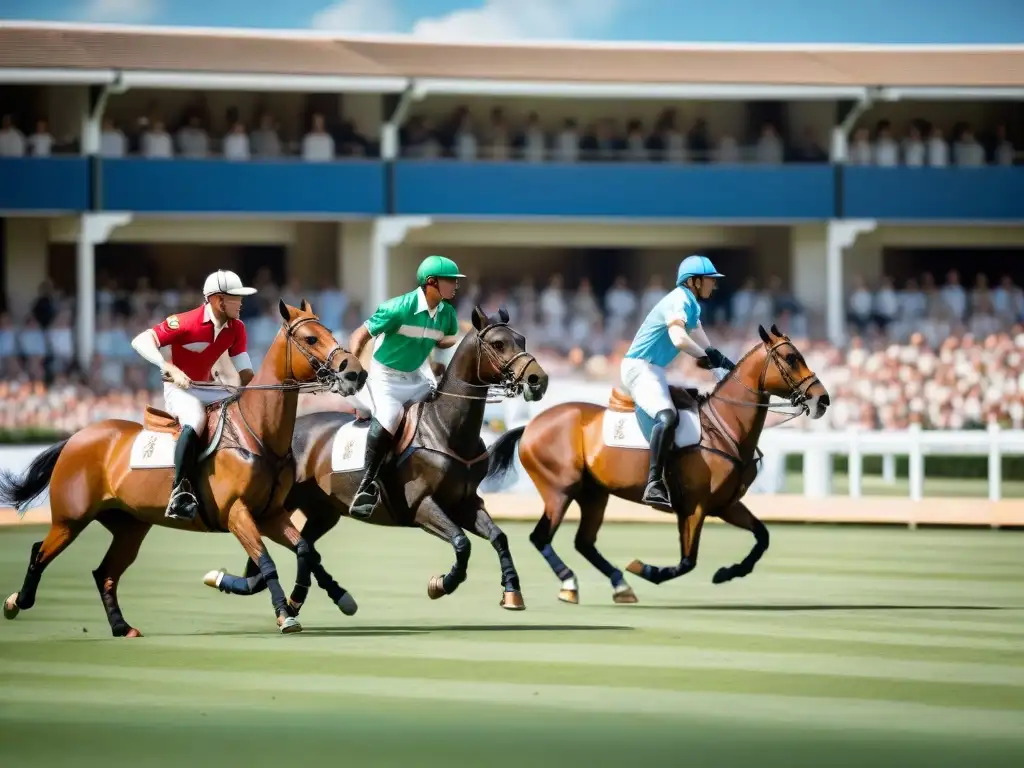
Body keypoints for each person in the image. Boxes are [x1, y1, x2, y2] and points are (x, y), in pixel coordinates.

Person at [130, 269, 256, 520]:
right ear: (219, 300)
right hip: (179, 389)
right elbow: (140, 341)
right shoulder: (184, 322)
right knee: (195, 420)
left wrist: (253, 394)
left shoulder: (237, 328)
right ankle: (180, 490)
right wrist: (168, 367)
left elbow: (245, 371)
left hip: (210, 388)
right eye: (236, 298)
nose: (241, 302)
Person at [346, 255, 464, 519]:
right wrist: (353, 361)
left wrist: (445, 348)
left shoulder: (447, 313)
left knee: (445, 409)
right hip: (385, 377)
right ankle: (365, 487)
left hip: (417, 375)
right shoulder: (397, 308)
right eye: (451, 280)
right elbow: (361, 334)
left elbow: (445, 340)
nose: (456, 285)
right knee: (389, 418)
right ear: (432, 282)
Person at [620, 254, 736, 510]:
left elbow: (704, 343)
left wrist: (725, 365)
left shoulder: (692, 304)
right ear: (694, 281)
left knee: (692, 406)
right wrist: (709, 357)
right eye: (709, 280)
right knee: (667, 417)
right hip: (638, 367)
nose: (714, 285)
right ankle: (654, 483)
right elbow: (680, 340)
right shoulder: (679, 300)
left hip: (654, 369)